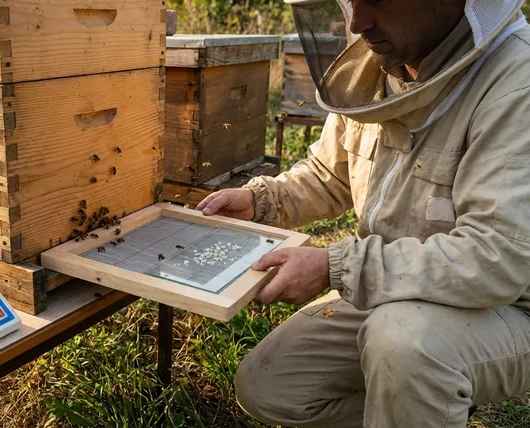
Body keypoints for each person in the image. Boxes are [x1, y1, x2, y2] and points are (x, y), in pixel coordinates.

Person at [196, 0, 530, 426]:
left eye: (377, 1)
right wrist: (263, 200)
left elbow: (495, 258)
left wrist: (333, 267)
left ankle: (425, 388)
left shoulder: (517, 82)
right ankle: (424, 403)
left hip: (508, 307)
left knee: (404, 345)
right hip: (390, 288)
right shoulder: (379, 65)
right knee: (270, 386)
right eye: (351, 0)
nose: (358, 21)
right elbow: (327, 174)